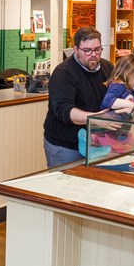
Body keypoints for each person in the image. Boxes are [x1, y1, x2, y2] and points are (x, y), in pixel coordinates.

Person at [43, 27, 114, 168]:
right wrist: (95, 119)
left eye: (98, 49)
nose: (93, 55)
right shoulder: (63, 73)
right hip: (66, 146)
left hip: (98, 142)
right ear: (75, 49)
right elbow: (65, 110)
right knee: (65, 186)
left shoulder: (108, 67)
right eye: (87, 51)